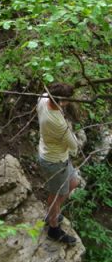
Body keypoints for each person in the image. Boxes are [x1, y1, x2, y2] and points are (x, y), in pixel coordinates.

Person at [37, 83, 80, 246]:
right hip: (54, 162)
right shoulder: (59, 124)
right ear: (62, 102)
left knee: (74, 182)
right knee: (57, 197)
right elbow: (74, 146)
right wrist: (69, 130)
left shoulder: (42, 99)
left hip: (54, 155)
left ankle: (51, 213)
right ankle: (53, 228)